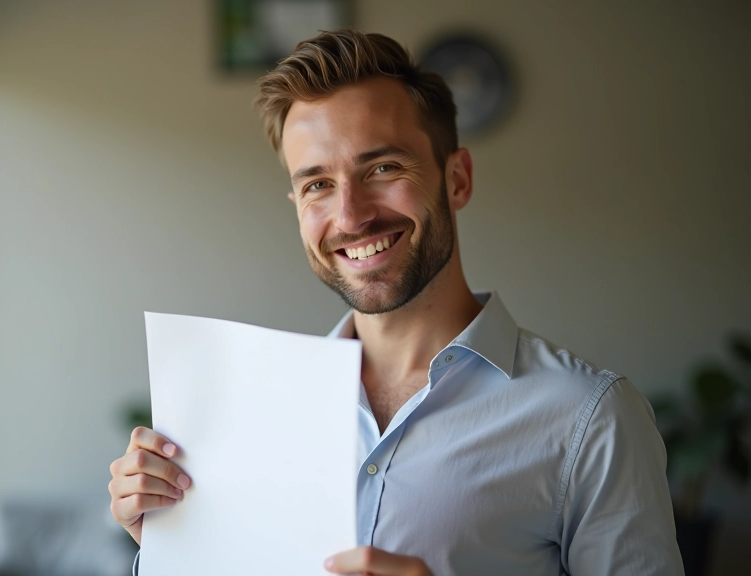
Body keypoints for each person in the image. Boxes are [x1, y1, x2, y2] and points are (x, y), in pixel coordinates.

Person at [107, 29, 683, 575]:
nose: (350, 216)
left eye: (383, 168)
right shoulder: (250, 412)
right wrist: (169, 545)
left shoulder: (590, 417)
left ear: (457, 180)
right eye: (317, 185)